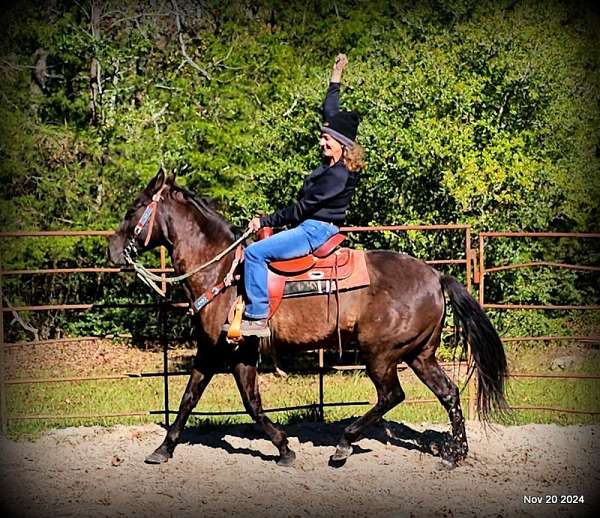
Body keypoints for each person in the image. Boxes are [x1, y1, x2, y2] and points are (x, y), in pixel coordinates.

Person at [235, 53, 365, 337]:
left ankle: (257, 317)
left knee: (255, 254)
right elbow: (329, 109)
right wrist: (336, 74)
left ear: (342, 145)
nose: (321, 143)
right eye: (322, 137)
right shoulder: (335, 159)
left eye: (326, 140)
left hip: (314, 231)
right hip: (310, 227)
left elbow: (301, 209)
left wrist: (265, 220)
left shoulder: (338, 175)